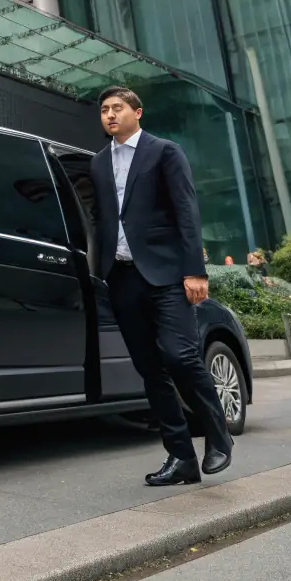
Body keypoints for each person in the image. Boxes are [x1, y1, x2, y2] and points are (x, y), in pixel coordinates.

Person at [91, 85, 233, 487]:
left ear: (138, 112)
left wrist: (195, 270)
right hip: (121, 276)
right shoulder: (99, 163)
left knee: (181, 356)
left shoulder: (164, 151)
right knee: (149, 369)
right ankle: (181, 456)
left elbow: (186, 211)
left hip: (168, 275)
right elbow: (101, 219)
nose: (110, 115)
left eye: (117, 108)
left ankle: (219, 439)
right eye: (104, 110)